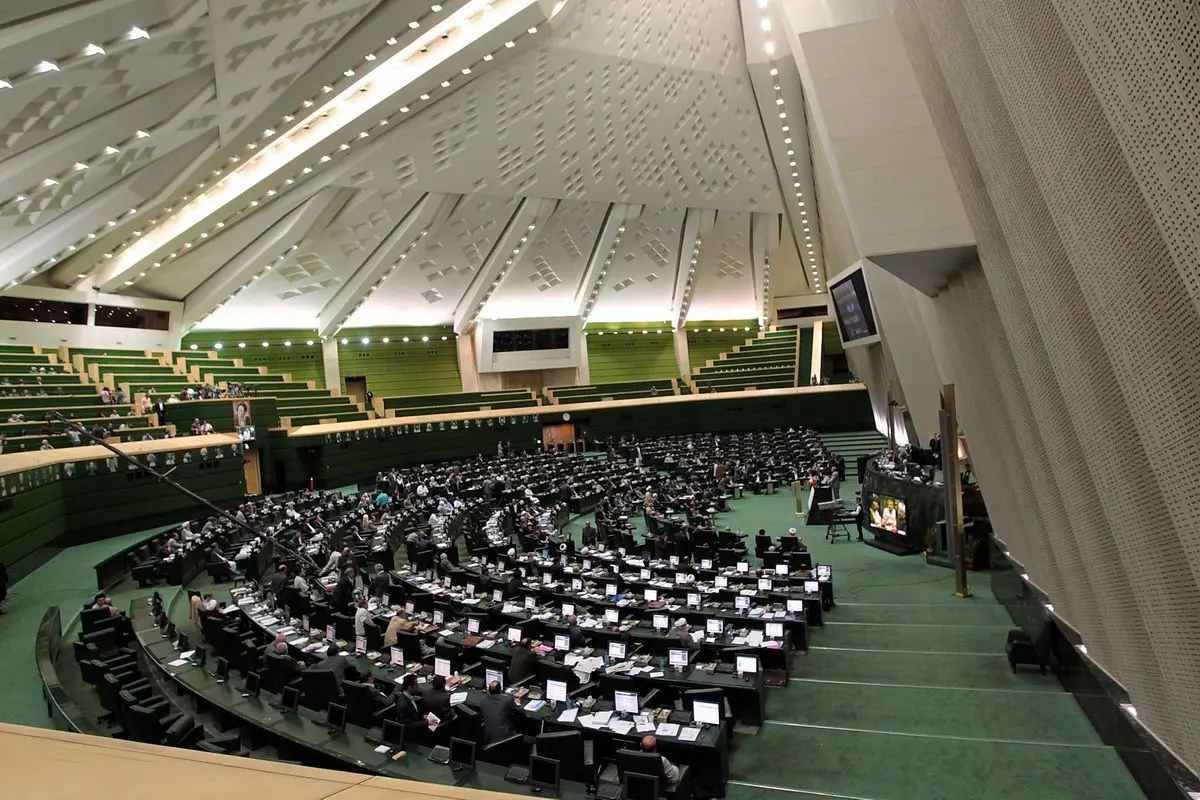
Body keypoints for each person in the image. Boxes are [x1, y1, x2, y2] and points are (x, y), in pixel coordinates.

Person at [480, 680, 522, 745]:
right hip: (504, 737)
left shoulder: (483, 701)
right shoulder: (507, 699)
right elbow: (520, 710)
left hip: (487, 737)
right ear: (500, 689)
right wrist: (518, 703)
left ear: (488, 690)